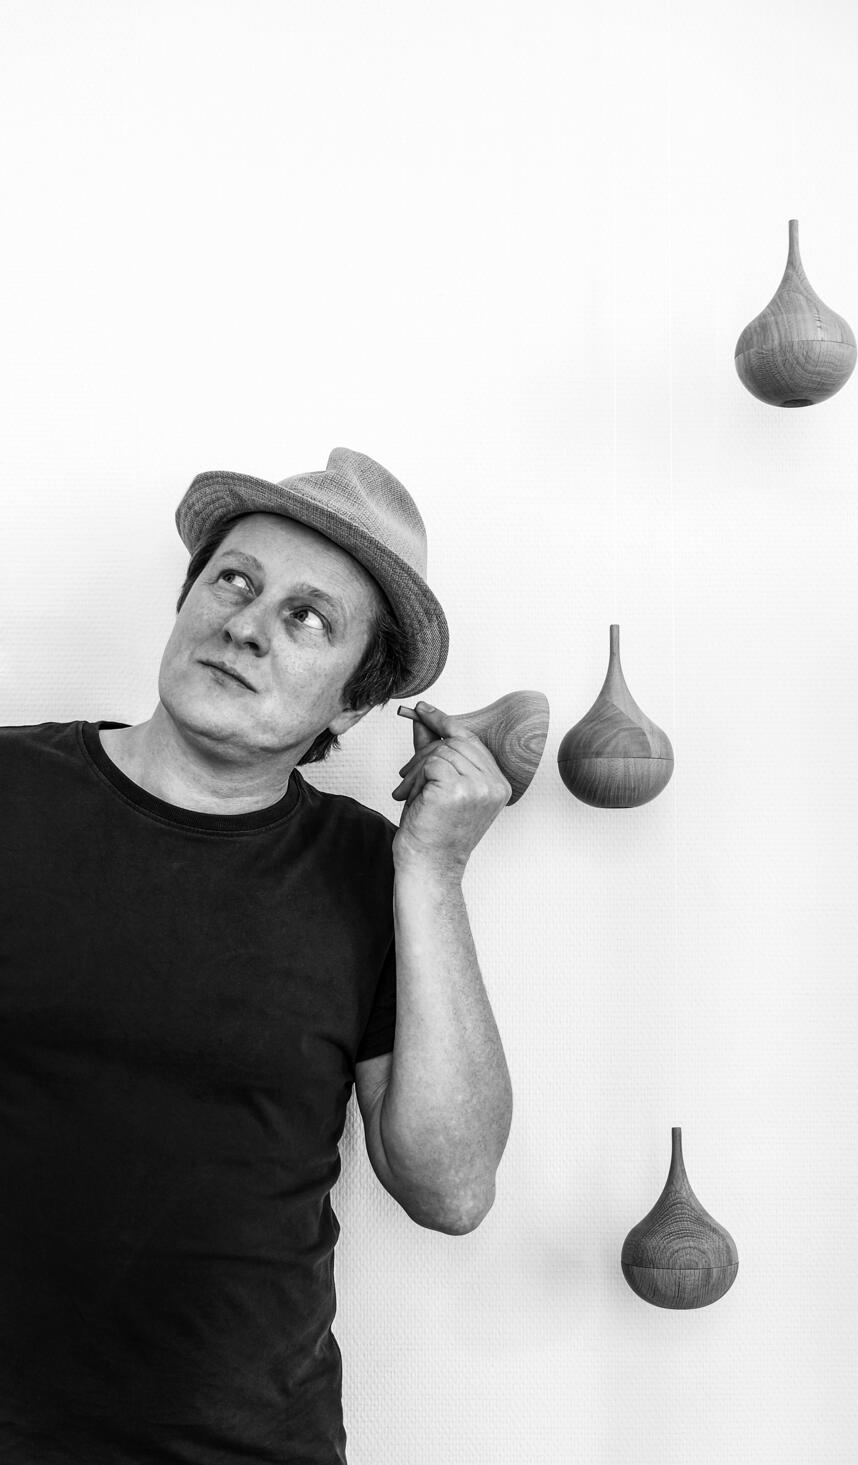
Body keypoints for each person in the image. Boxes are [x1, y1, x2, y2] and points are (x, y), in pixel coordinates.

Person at [0, 447, 513, 1464]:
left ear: (352, 704)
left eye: (307, 617)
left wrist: (435, 870)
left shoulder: (373, 872)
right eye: (234, 581)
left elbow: (451, 1188)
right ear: (188, 600)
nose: (246, 625)